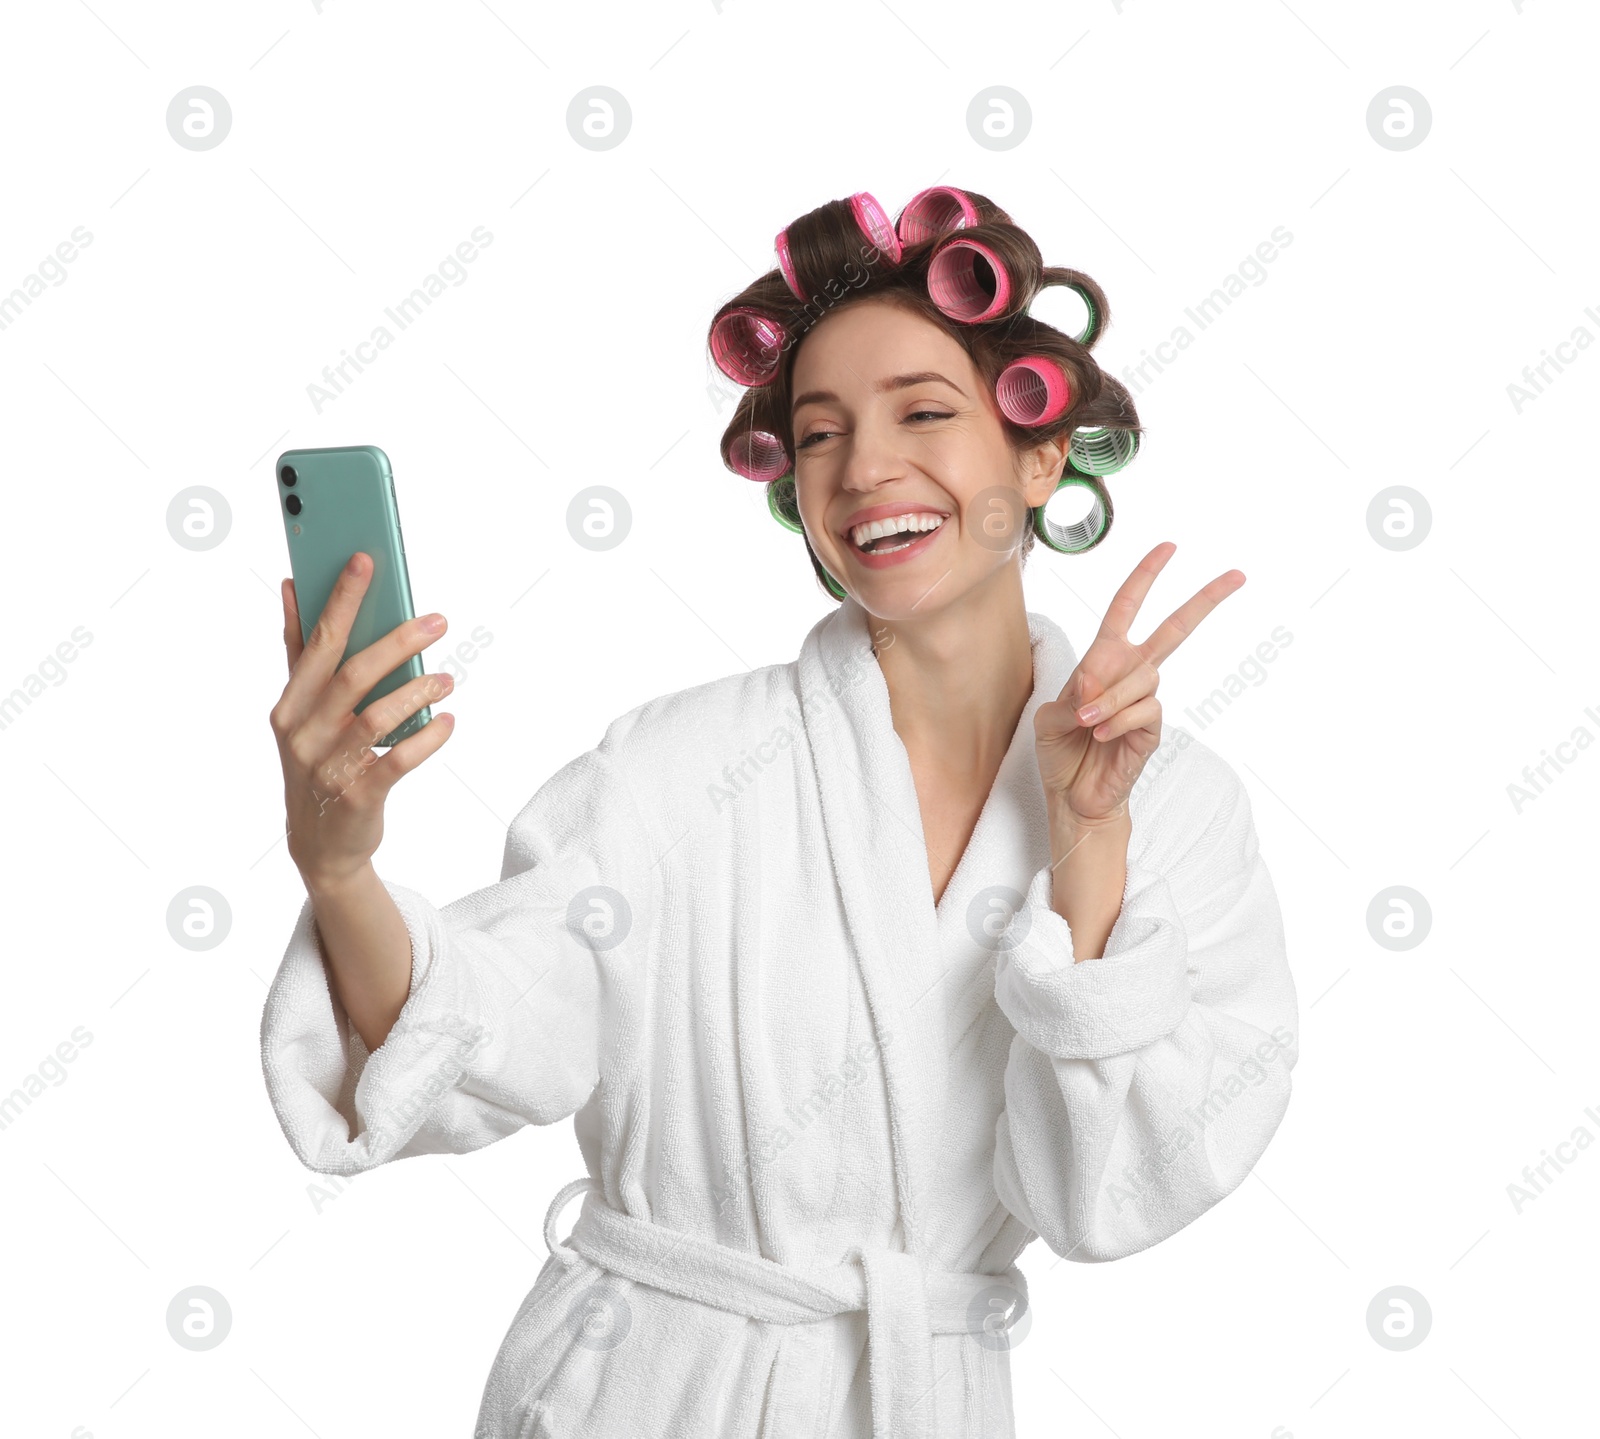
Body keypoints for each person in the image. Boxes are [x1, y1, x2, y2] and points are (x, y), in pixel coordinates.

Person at [261, 185, 1298, 1439]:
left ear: (1037, 448)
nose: (864, 469)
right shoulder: (678, 765)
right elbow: (473, 1034)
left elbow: (1106, 1195)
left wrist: (1085, 849)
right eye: (818, 435)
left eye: (922, 411)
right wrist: (340, 866)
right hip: (640, 1392)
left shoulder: (1175, 808)